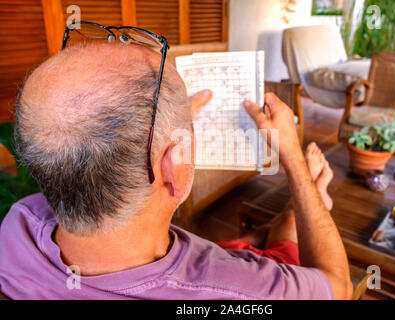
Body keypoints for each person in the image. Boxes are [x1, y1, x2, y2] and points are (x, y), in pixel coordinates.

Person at [0, 42, 352, 299]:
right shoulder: (236, 290)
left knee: (267, 233)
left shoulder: (19, 225)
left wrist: (155, 131)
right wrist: (292, 156)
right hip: (244, 269)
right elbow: (338, 285)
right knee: (286, 224)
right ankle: (311, 200)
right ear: (172, 168)